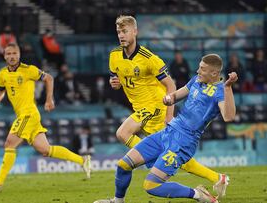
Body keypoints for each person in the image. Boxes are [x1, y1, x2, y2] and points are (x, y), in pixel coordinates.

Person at [94, 54, 237, 203]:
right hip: (167, 132)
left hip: (184, 142)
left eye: (202, 69)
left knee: (151, 185)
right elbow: (176, 95)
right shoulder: (196, 80)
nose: (197, 71)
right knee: (123, 165)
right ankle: (118, 201)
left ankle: (198, 194)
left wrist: (228, 88)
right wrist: (169, 99)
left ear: (214, 73)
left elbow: (229, 116)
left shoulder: (220, 91)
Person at [108, 15, 226, 195]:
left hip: (155, 106)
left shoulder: (149, 58)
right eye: (118, 32)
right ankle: (217, 178)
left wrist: (168, 114)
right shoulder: (114, 55)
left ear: (135, 32)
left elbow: (170, 85)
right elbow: (117, 78)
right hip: (139, 107)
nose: (121, 35)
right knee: (173, 153)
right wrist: (115, 83)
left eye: (125, 31)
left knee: (122, 133)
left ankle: (150, 160)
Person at [0, 43, 91, 191]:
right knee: (46, 150)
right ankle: (83, 160)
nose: (12, 56)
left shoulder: (29, 70)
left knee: (9, 144)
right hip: (24, 115)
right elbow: (1, 90)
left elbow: (49, 78)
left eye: (14, 53)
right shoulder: (2, 74)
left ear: (19, 54)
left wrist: (49, 99)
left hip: (28, 114)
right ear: (4, 56)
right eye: (9, 54)